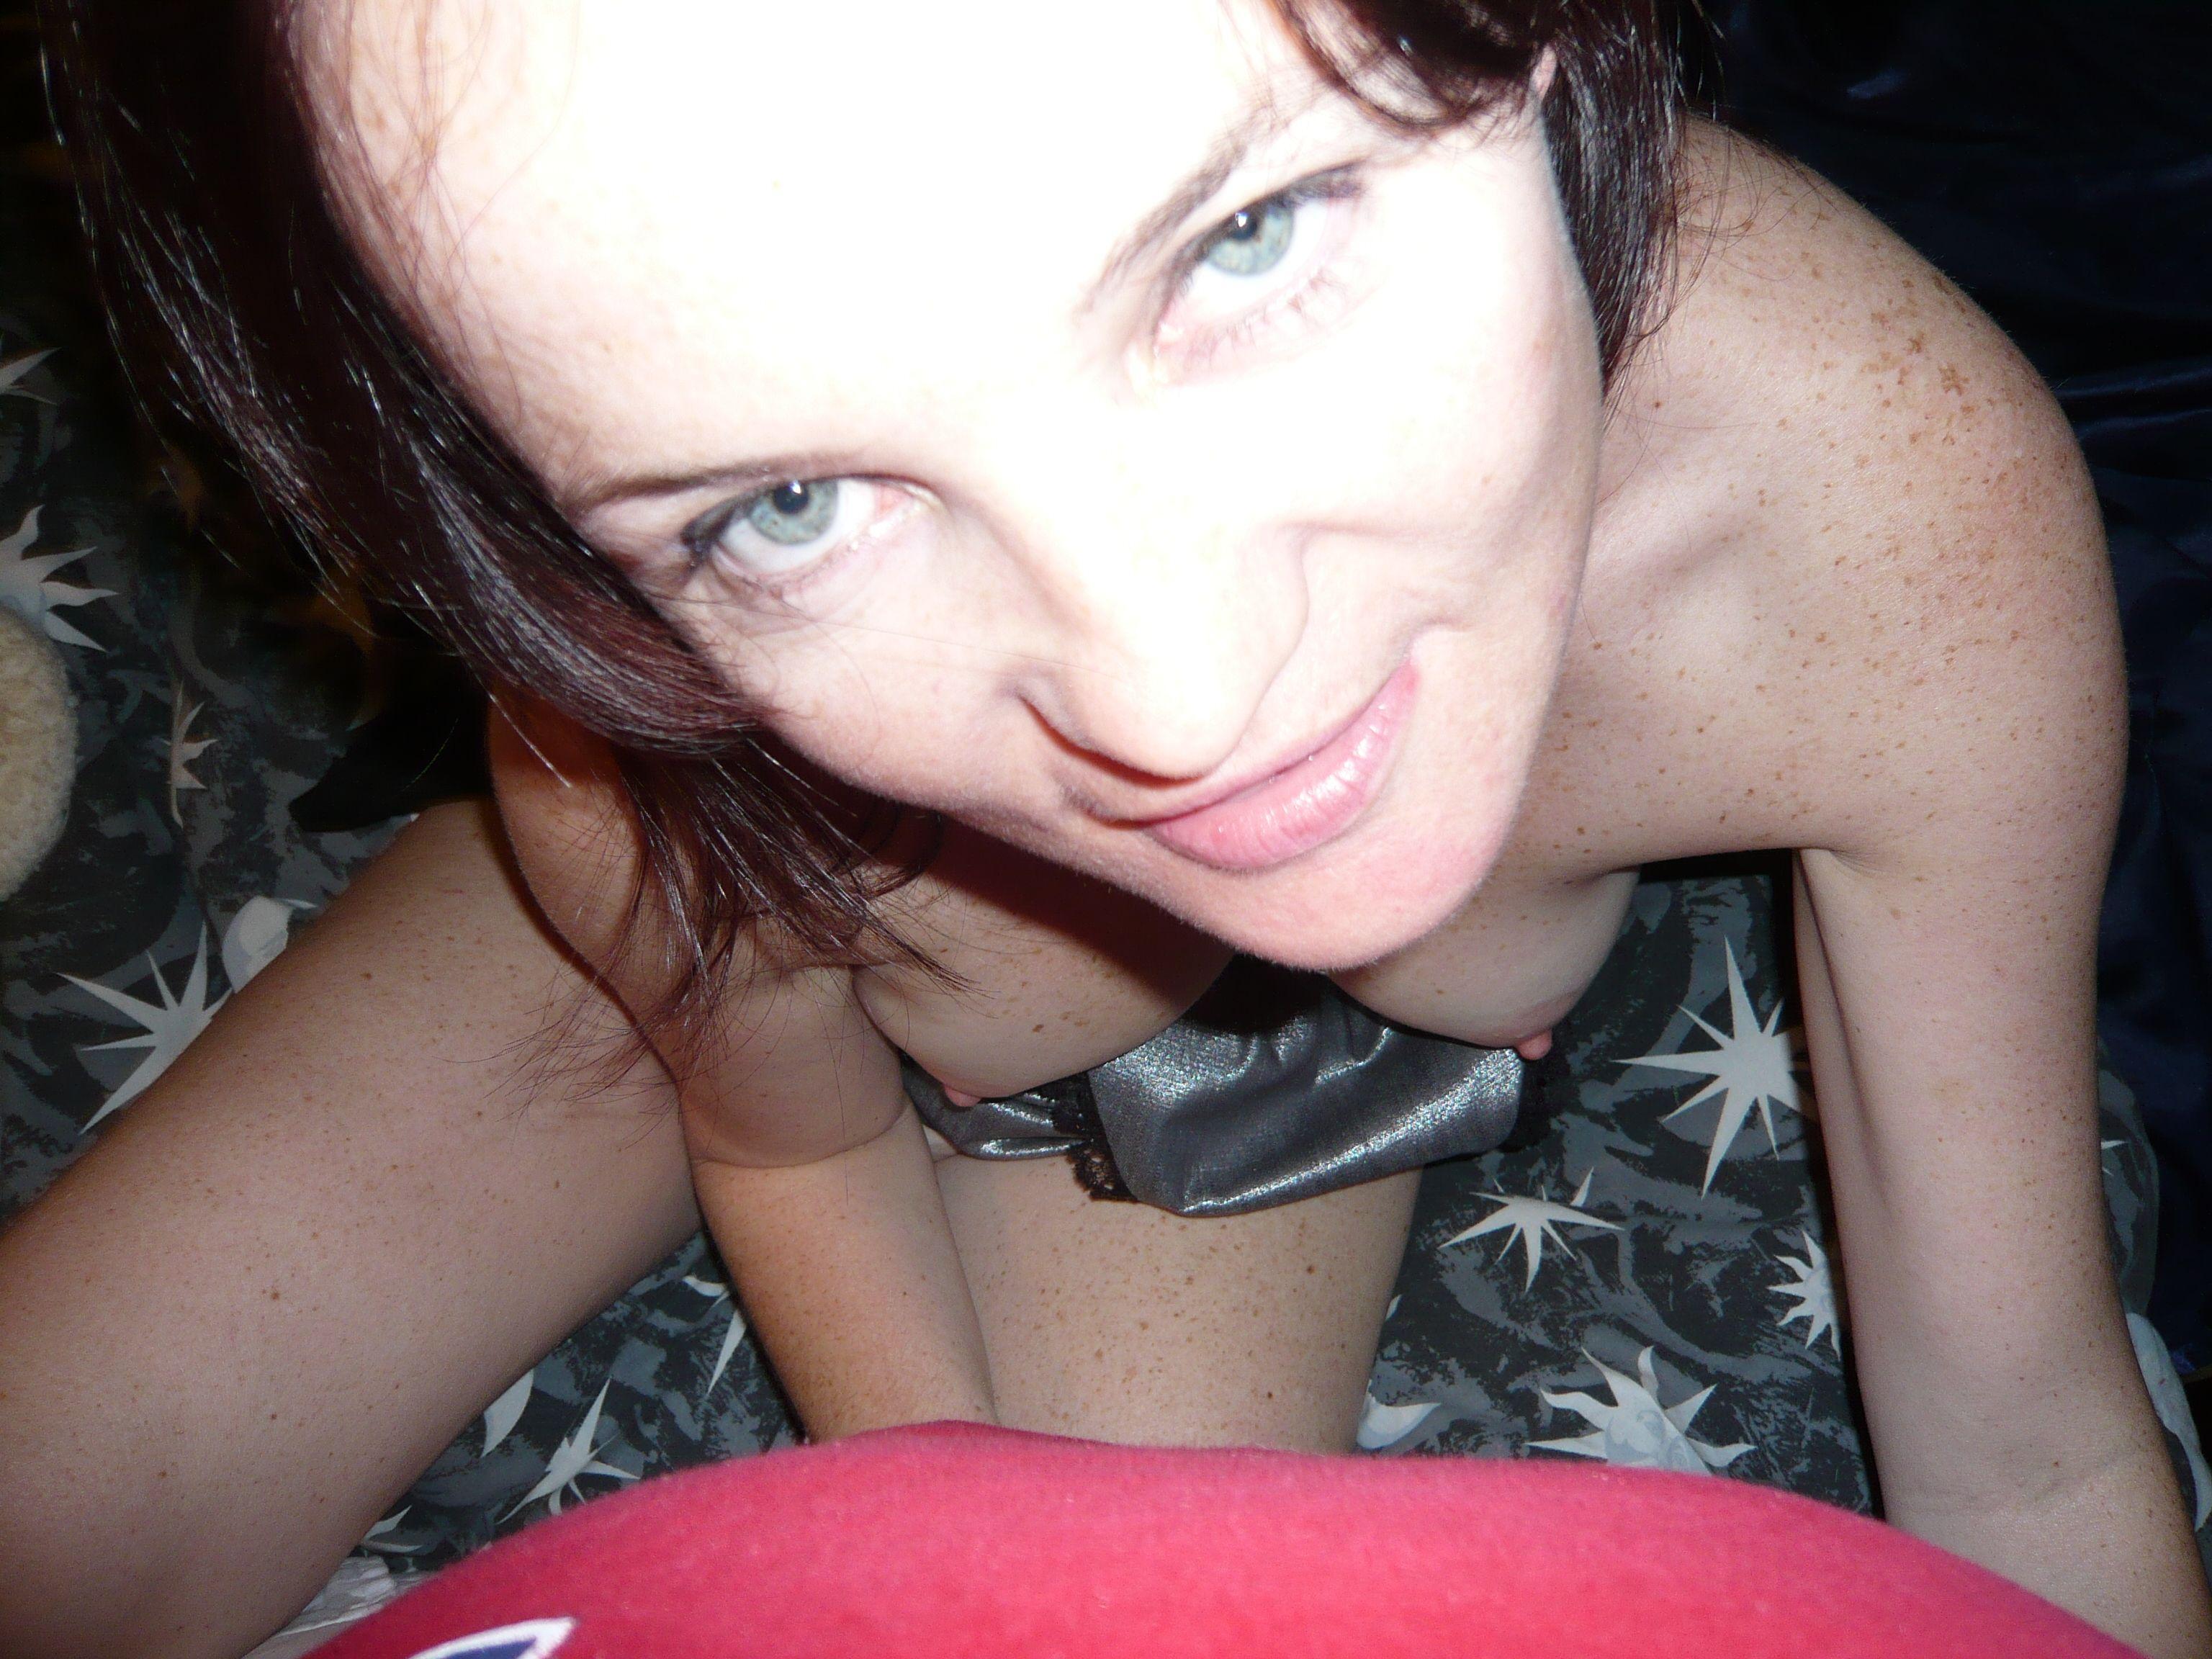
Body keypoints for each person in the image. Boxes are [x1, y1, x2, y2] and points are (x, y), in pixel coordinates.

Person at [4, 1, 2205, 1657]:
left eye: (1247, 240)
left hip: (1276, 1105)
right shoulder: (638, 752)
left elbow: (2026, 1449)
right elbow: (796, 1142)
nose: (1182, 705)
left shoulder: (1885, 533)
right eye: (789, 506)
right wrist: (940, 1508)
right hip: (802, 939)